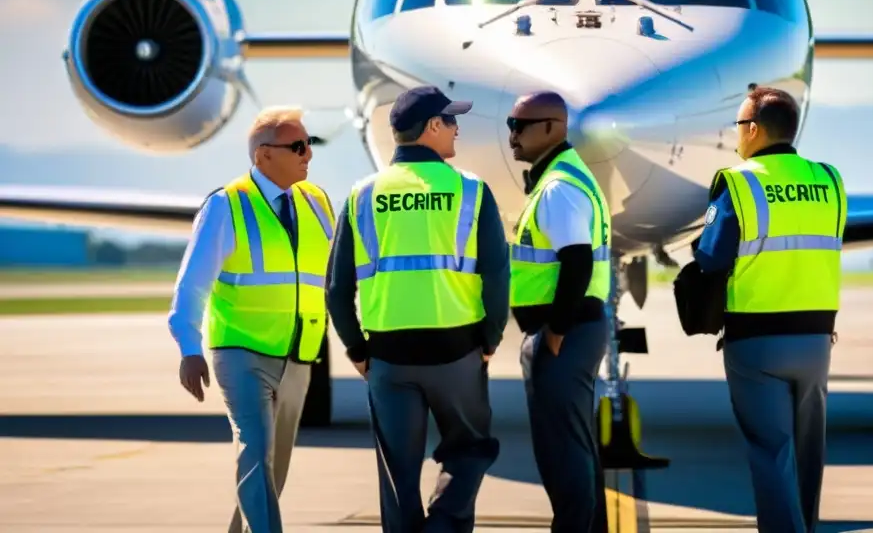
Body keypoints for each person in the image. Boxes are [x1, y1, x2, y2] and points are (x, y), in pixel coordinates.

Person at [326, 85, 509, 533]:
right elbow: (497, 276)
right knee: (470, 450)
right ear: (432, 127)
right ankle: (444, 526)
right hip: (458, 353)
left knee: (397, 477)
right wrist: (491, 338)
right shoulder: (470, 190)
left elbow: (336, 288)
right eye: (451, 121)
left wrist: (356, 349)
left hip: (388, 358)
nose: (457, 129)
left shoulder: (362, 195)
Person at [167, 106, 336, 533]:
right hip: (242, 351)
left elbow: (334, 278)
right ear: (263, 156)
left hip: (300, 351)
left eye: (309, 144)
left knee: (272, 469)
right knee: (256, 452)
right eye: (297, 146)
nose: (308, 155)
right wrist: (189, 349)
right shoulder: (226, 205)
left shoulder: (317, 202)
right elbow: (191, 286)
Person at [687, 86, 847, 533]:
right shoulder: (829, 180)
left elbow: (713, 258)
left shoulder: (738, 183)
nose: (736, 135)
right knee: (808, 452)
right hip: (817, 341)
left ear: (754, 130)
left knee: (770, 450)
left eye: (739, 125)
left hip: (757, 343)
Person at [505, 91, 611, 533]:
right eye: (510, 124)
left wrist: (555, 331)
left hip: (565, 335)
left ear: (552, 128)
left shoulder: (559, 188)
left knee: (561, 453)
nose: (511, 135)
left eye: (520, 125)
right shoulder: (562, 179)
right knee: (572, 447)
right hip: (573, 331)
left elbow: (577, 260)